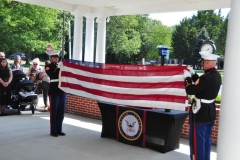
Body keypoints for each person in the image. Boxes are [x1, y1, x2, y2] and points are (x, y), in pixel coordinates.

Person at [183, 51, 221, 160]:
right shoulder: (217, 75)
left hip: (201, 112)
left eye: (203, 62)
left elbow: (190, 90)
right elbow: (202, 86)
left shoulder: (206, 77)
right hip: (210, 111)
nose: (202, 64)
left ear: (208, 63)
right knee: (206, 140)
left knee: (197, 141)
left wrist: (187, 79)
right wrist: (194, 74)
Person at [45, 50, 66, 137]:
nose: (57, 59)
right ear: (51, 58)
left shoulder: (61, 65)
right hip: (54, 90)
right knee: (54, 112)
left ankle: (59, 129)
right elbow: (53, 76)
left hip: (62, 90)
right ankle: (53, 130)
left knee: (61, 112)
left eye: (57, 57)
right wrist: (59, 68)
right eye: (55, 57)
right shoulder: (48, 66)